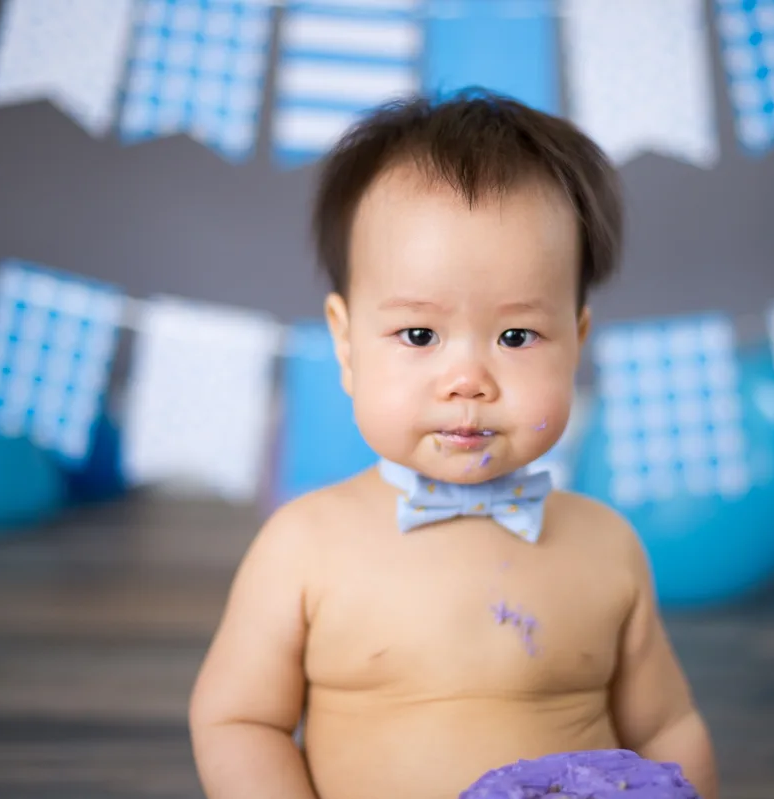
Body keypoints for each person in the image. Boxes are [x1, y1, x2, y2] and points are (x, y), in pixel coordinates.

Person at [188, 91, 719, 799]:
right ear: (346, 344)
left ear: (576, 345)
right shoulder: (304, 545)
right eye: (419, 335)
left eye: (516, 336)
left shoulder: (606, 547)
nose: (468, 380)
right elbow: (237, 719)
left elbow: (666, 729)